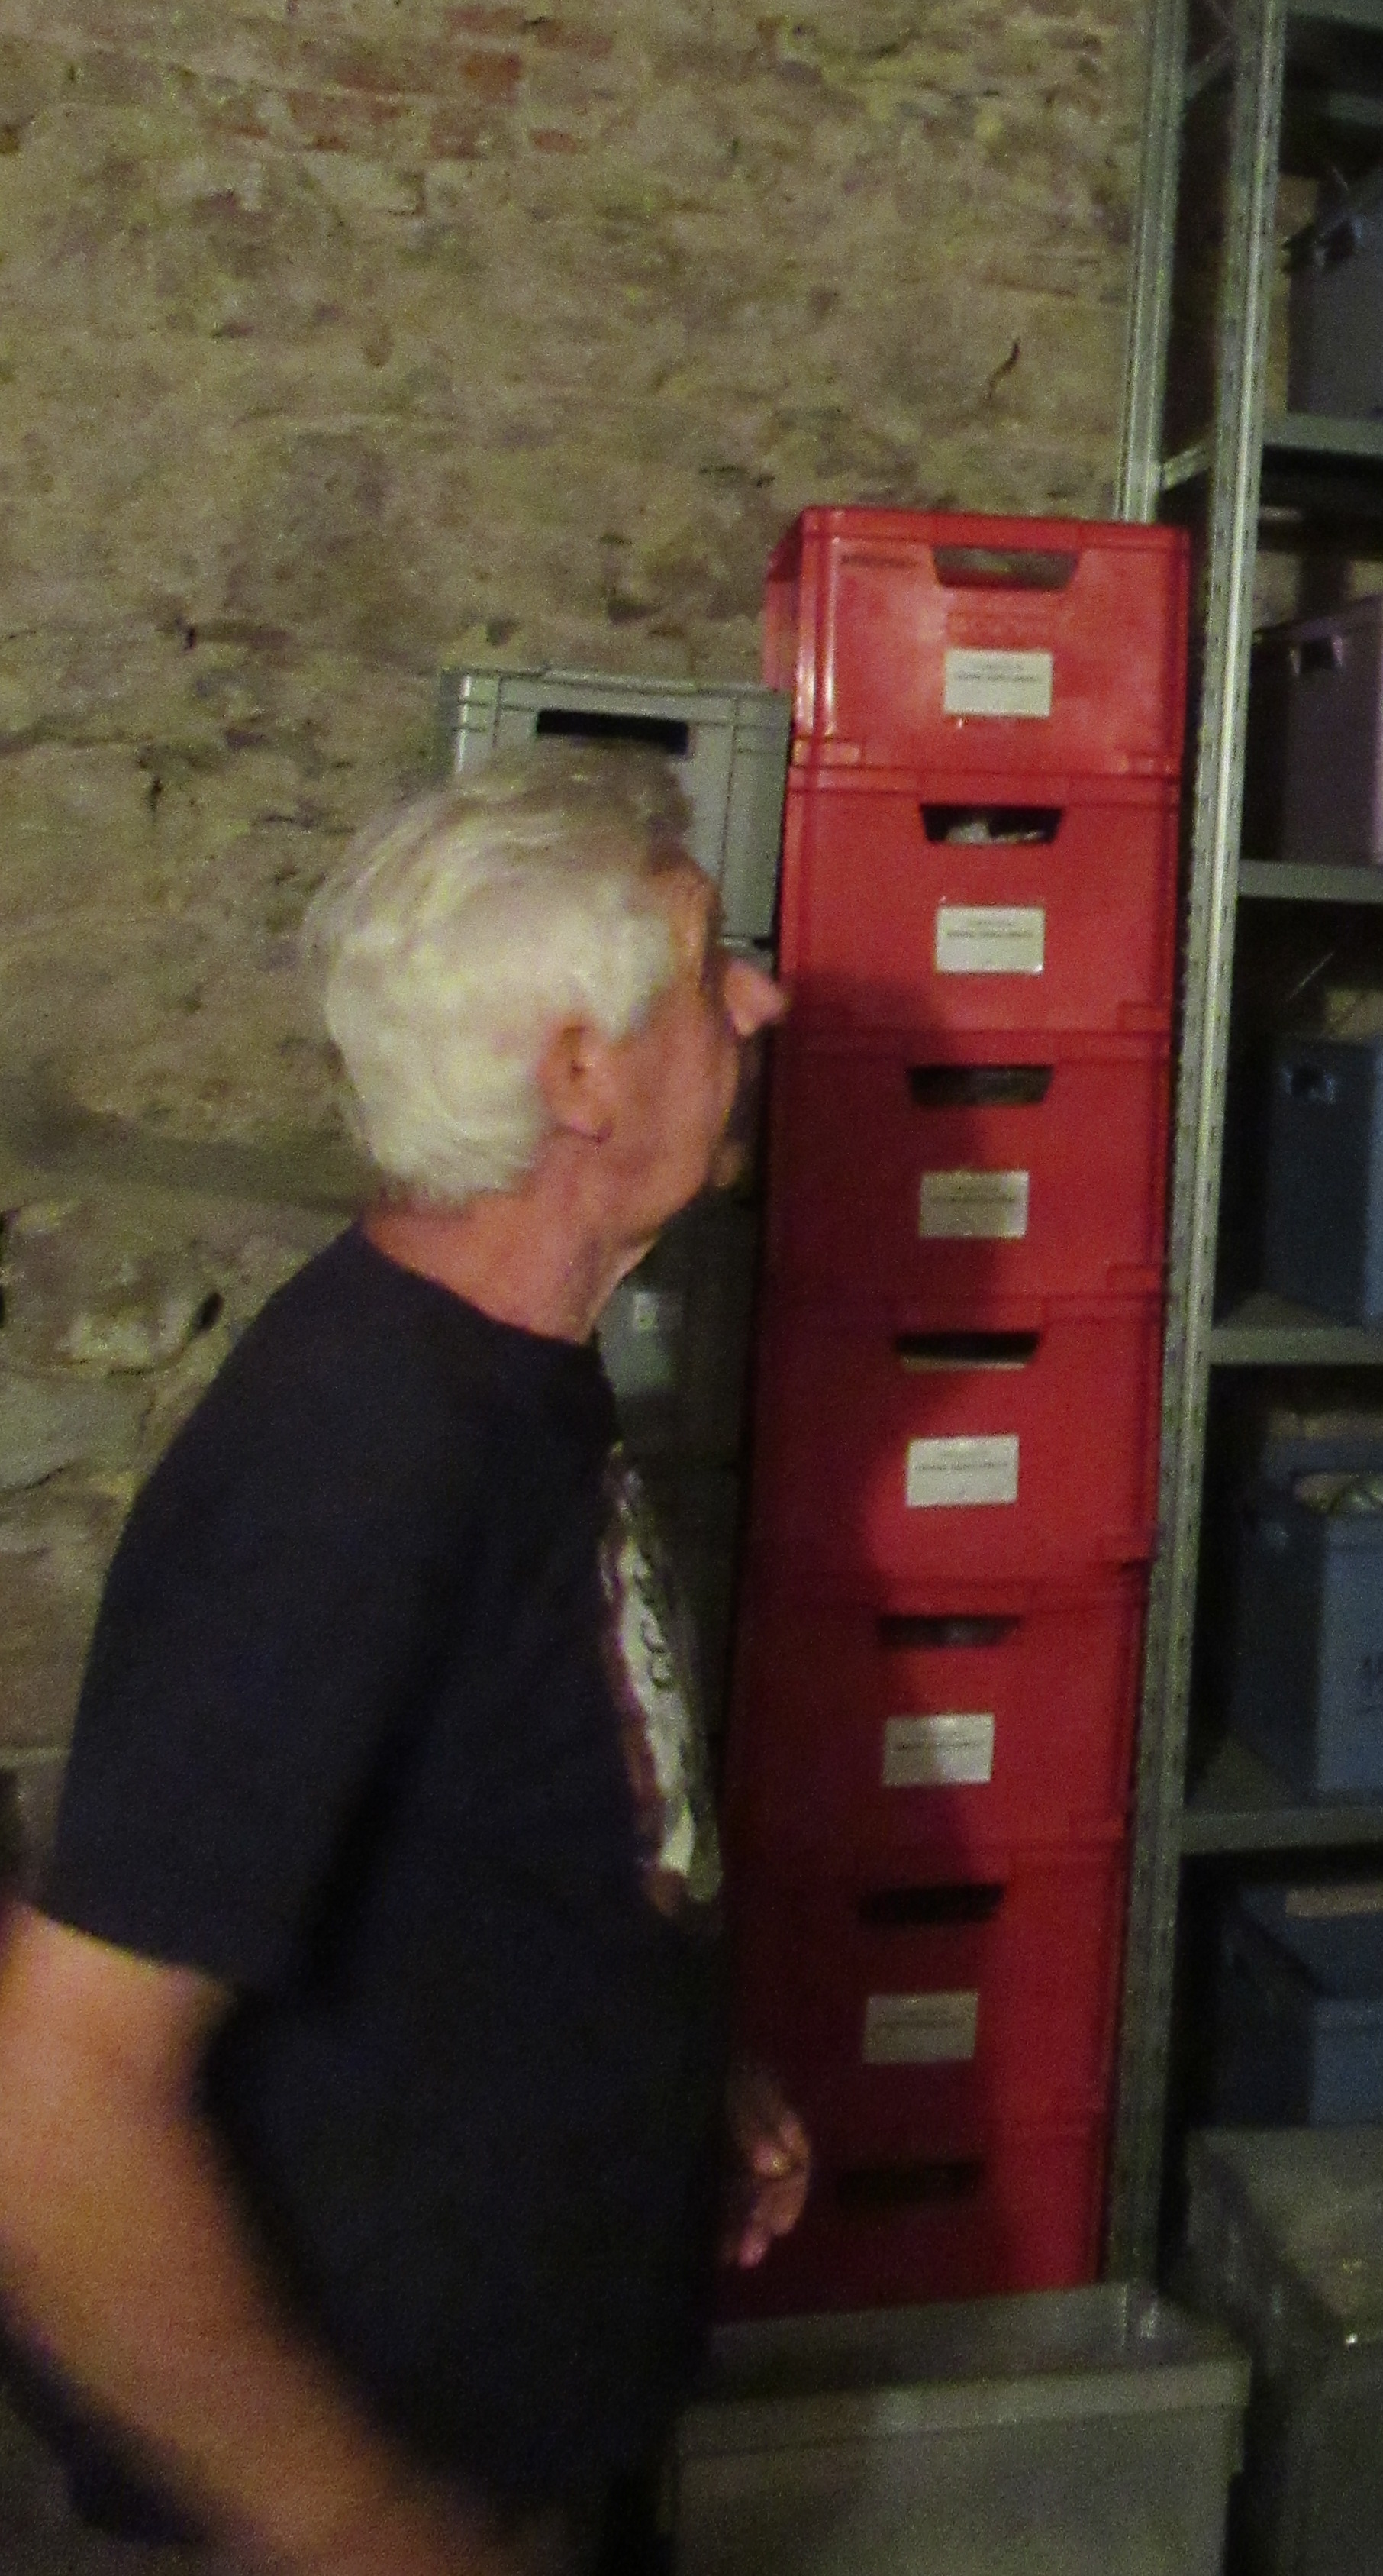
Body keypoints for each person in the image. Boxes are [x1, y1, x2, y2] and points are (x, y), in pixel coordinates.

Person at [0, 747, 806, 2571]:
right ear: (582, 1074)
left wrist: (661, 2054)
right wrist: (357, 2524)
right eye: (709, 968)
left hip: (527, 2449)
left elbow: (495, 1817)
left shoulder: (515, 1374)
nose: (761, 1000)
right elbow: (53, 2106)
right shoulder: (360, 1454)